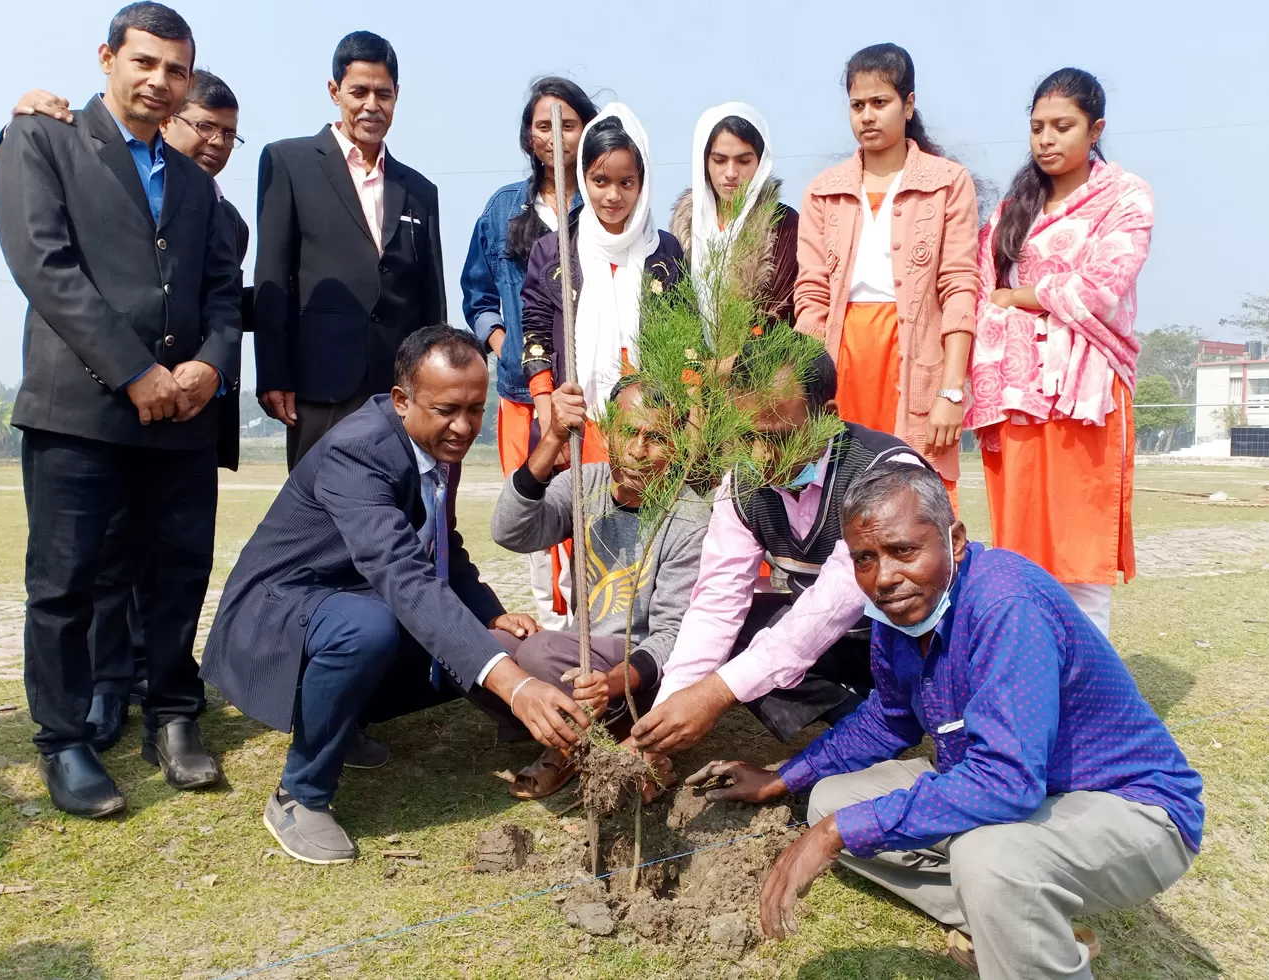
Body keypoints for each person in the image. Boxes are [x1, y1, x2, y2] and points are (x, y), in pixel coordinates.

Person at [693, 462, 1203, 980]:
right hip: (1021, 788)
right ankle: (1020, 923)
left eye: (904, 551)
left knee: (987, 858)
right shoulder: (901, 615)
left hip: (1129, 809)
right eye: (865, 559)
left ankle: (1013, 908)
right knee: (831, 798)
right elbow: (887, 721)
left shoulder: (1005, 603)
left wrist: (836, 834)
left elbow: (1008, 780)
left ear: (955, 540)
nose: (885, 577)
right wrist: (783, 778)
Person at [200, 326, 600, 865]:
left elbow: (442, 542)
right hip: (280, 613)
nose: (463, 427)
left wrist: (491, 615)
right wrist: (517, 684)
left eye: (476, 409)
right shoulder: (356, 451)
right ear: (401, 400)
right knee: (370, 630)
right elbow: (401, 574)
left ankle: (343, 722)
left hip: (351, 598)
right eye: (447, 409)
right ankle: (300, 794)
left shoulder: (435, 441)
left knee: (464, 641)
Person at [0, 2, 242, 817]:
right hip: (79, 412)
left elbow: (221, 296)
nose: (159, 82)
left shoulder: (199, 187)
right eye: (145, 63)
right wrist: (136, 371)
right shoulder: (45, 141)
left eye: (175, 69)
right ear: (107, 59)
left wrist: (208, 364)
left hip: (181, 420)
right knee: (66, 582)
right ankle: (65, 741)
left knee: (176, 573)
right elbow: (45, 265)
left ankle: (172, 716)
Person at [630, 342, 928, 756]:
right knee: (740, 628)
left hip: (898, 642)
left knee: (758, 663)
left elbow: (833, 605)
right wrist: (665, 718)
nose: (759, 457)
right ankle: (855, 720)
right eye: (747, 436)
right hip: (832, 646)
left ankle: (892, 721)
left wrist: (715, 694)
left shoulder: (885, 474)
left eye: (777, 438)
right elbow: (717, 602)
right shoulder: (741, 487)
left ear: (827, 418)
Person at [965, 69, 1151, 637]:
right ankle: (1030, 677)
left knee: (1079, 553)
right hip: (1016, 393)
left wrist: (1022, 296)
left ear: (1095, 130)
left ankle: (1090, 695)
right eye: (1037, 127)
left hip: (1086, 392)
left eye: (1062, 126)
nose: (1046, 139)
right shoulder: (1015, 207)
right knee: (1020, 553)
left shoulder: (1125, 198)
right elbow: (978, 290)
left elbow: (1100, 287)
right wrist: (1011, 308)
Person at [490, 378, 708, 798]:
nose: (638, 451)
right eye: (629, 431)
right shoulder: (584, 483)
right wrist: (553, 437)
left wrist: (611, 683)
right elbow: (508, 532)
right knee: (484, 649)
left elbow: (671, 637)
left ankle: (577, 747)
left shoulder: (687, 516)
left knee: (539, 653)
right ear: (606, 431)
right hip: (578, 658)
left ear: (677, 444)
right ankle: (576, 735)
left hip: (631, 674)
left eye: (656, 437)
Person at [795, 43, 978, 504]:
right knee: (834, 491)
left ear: (908, 104)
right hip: (839, 358)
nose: (868, 116)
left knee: (915, 497)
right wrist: (803, 385)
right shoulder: (824, 191)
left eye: (881, 102)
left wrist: (951, 391)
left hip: (915, 357)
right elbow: (812, 297)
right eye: (857, 105)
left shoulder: (947, 182)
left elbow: (959, 287)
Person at [254, 31, 445, 470]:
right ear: (334, 91)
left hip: (397, 389)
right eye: (359, 91)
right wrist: (274, 374)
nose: (371, 105)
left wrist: (432, 389)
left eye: (384, 93)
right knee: (316, 516)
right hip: (318, 384)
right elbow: (272, 277)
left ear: (398, 96)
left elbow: (430, 299)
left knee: (390, 514)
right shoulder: (289, 162)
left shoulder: (419, 190)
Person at [462, 77, 598, 628]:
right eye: (545, 125)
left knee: (592, 511)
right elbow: (478, 295)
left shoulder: (607, 202)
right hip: (524, 397)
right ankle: (553, 627)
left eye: (568, 124)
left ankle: (596, 625)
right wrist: (505, 346)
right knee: (536, 509)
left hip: (592, 394)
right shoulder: (501, 210)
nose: (557, 136)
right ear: (529, 135)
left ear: (587, 130)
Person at [520, 102, 683, 464]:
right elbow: (536, 336)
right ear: (583, 178)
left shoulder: (665, 250)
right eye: (600, 181)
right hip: (580, 419)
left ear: (643, 182)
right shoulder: (555, 251)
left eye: (626, 183)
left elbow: (684, 340)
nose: (613, 196)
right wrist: (551, 421)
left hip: (649, 424)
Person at [669, 103, 798, 330]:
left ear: (761, 163)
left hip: (758, 359)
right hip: (691, 362)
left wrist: (736, 359)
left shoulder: (782, 225)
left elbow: (785, 309)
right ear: (704, 162)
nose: (730, 173)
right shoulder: (684, 230)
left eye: (743, 161)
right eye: (719, 160)